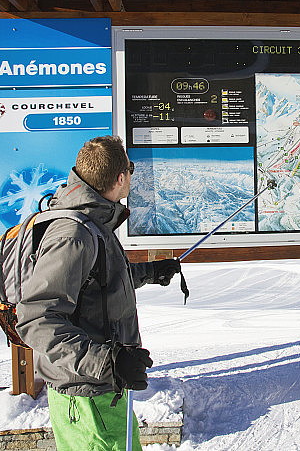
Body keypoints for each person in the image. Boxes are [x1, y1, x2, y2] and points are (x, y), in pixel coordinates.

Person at [16, 135, 181, 451]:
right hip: (87, 398)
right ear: (121, 178)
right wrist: (108, 362)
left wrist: (153, 271)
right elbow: (37, 319)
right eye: (130, 169)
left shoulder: (93, 221)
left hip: (103, 391)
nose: (131, 174)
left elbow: (101, 280)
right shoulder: (74, 235)